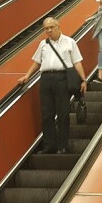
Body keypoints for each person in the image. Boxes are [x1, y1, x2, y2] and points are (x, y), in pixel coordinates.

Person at [18, 17, 87, 154]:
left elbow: (77, 62)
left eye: (51, 27)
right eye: (46, 28)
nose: (48, 30)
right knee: (47, 114)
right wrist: (27, 75)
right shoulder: (43, 44)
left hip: (62, 79)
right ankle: (49, 146)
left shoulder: (70, 42)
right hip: (45, 79)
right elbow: (37, 62)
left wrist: (83, 80)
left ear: (58, 26)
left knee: (63, 113)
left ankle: (63, 146)